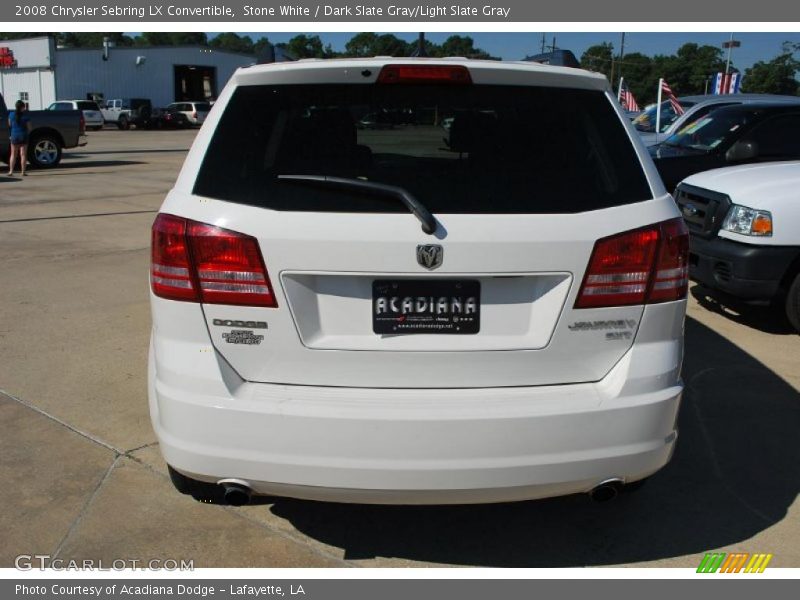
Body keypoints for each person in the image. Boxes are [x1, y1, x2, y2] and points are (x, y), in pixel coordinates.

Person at [7, 100, 31, 177]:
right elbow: (29, 127)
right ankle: (23, 172)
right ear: (22, 107)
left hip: (14, 136)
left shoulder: (11, 115)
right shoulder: (25, 116)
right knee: (23, 155)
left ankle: (11, 171)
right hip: (23, 136)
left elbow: (9, 125)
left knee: (13, 154)